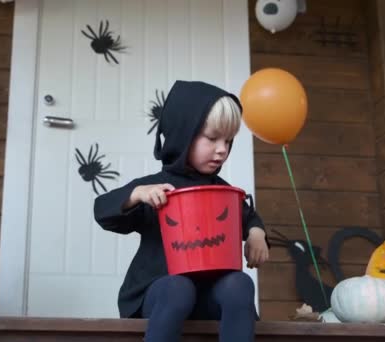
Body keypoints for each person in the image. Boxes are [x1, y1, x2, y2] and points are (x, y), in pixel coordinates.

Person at [94, 80, 269, 342]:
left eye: (229, 141)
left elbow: (247, 216)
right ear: (183, 133)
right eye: (212, 138)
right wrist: (136, 195)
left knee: (240, 284)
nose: (222, 149)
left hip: (210, 295)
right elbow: (103, 211)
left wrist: (256, 234)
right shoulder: (154, 189)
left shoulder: (223, 192)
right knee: (178, 287)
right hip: (161, 293)